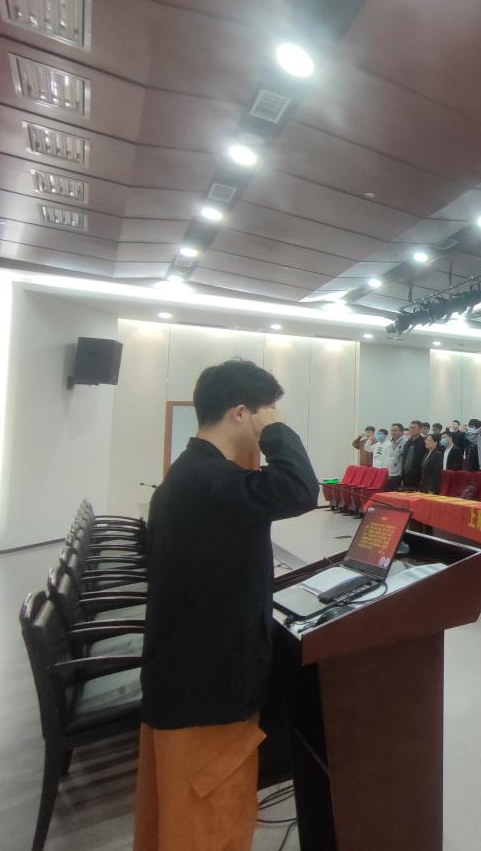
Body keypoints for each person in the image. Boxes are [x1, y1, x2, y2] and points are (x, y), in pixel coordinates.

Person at [134, 360, 319, 850]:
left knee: (189, 824)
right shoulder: (210, 479)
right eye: (265, 413)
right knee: (209, 828)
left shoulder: (192, 473)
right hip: (207, 692)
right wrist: (277, 431)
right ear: (241, 413)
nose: (269, 424)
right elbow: (300, 489)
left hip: (190, 679)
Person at [400, 420, 424, 489]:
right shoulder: (407, 443)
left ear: (420, 429)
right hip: (406, 475)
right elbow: (404, 459)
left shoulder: (424, 442)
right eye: (410, 428)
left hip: (418, 476)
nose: (411, 430)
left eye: (414, 428)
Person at [383, 422, 406, 489]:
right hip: (390, 472)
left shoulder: (405, 442)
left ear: (401, 432)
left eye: (395, 430)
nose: (393, 432)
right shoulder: (391, 443)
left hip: (399, 474)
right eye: (392, 430)